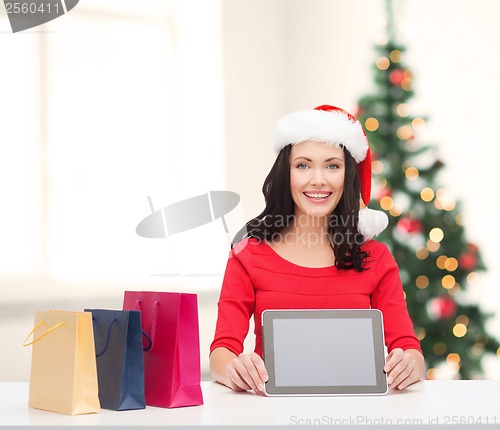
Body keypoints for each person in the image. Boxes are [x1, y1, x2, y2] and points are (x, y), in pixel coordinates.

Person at [210, 105, 425, 395]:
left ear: (348, 175)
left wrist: (409, 365)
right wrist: (234, 370)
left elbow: (409, 349)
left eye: (332, 165)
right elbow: (222, 351)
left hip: (358, 414)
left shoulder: (377, 258)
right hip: (272, 412)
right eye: (303, 165)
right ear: (286, 173)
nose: (318, 180)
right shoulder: (247, 255)